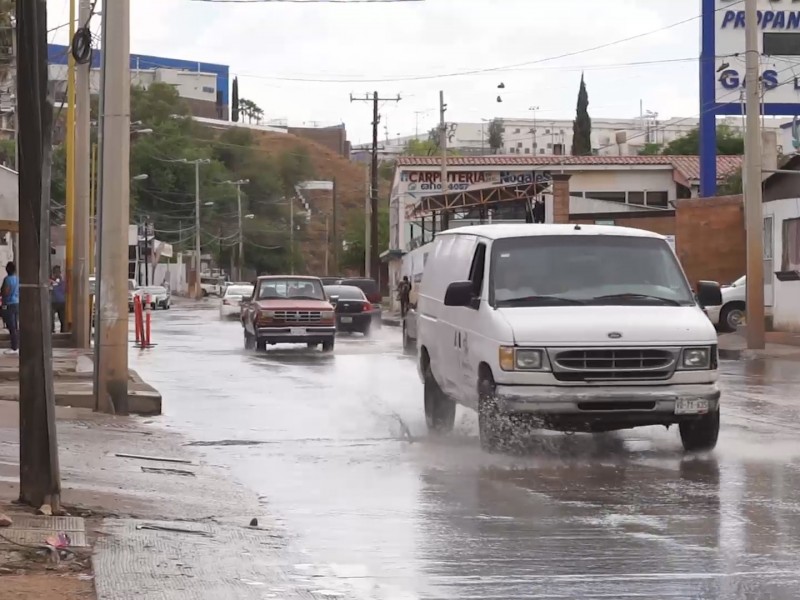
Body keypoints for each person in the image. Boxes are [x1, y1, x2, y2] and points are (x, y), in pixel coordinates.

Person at [2, 261, 19, 354]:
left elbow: (5, 292)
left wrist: (2, 293)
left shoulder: (7, 279)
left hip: (8, 304)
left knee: (11, 326)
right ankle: (15, 345)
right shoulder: (17, 279)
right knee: (15, 325)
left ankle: (14, 347)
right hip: (16, 303)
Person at [50, 265, 67, 333]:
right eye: (55, 272)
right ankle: (52, 331)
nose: (56, 273)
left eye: (58, 272)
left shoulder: (62, 282)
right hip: (54, 302)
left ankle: (62, 331)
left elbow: (64, 290)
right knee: (51, 319)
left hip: (60, 302)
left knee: (62, 319)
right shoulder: (51, 281)